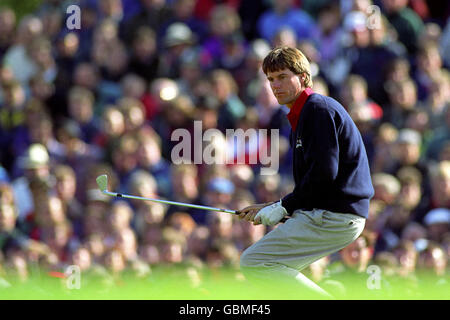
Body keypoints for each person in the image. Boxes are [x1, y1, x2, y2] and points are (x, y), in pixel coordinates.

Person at [238, 46, 374, 298]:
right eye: (270, 79)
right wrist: (273, 205)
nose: (275, 85)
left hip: (336, 216)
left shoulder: (317, 109)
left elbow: (324, 175)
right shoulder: (304, 114)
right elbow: (313, 185)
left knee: (255, 262)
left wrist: (283, 207)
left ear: (303, 77)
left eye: (282, 76)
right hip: (333, 214)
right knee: (277, 272)